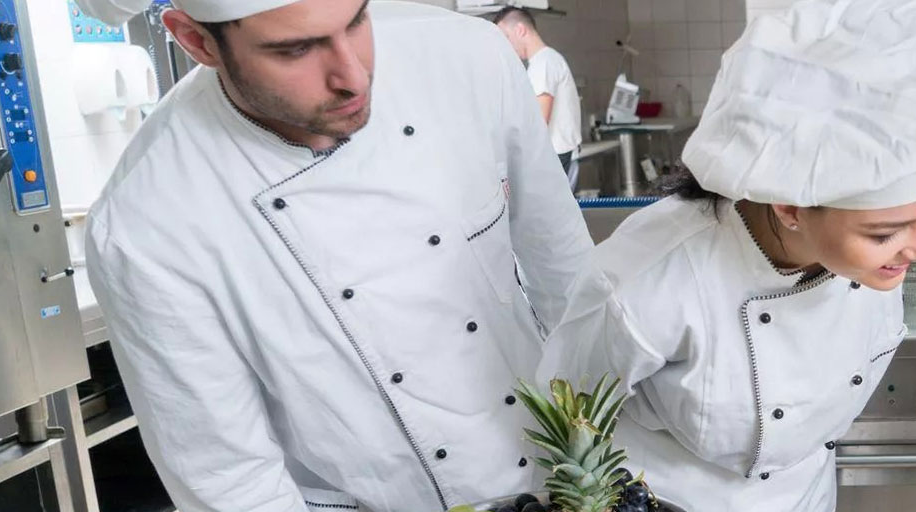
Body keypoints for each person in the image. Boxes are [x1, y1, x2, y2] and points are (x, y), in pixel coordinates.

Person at [78, 0, 592, 510]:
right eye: (295, 49)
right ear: (196, 41)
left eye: (356, 21)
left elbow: (567, 276)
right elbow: (230, 480)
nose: (354, 75)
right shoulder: (145, 224)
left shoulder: (467, 57)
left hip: (561, 476)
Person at [534, 0, 916, 510]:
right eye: (885, 233)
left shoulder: (869, 251)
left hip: (807, 496)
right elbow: (563, 416)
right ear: (792, 207)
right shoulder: (649, 280)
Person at [490, 7, 582, 177]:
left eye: (506, 38)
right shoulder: (545, 61)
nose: (506, 47)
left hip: (559, 158)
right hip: (560, 157)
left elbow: (538, 123)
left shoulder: (543, 64)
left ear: (520, 30)